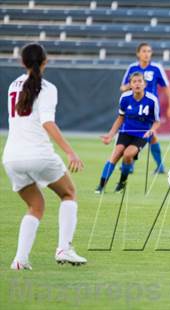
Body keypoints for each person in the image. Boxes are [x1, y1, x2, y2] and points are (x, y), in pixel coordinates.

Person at [2, 43, 86, 270]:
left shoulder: (12, 85)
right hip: (38, 154)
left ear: (22, 63)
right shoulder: (47, 87)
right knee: (68, 193)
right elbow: (47, 122)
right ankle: (64, 249)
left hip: (11, 157)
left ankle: (20, 260)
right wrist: (70, 151)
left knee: (35, 205)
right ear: (45, 62)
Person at [95, 72, 160, 193]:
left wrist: (151, 130)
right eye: (134, 81)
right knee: (116, 154)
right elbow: (120, 118)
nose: (137, 84)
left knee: (128, 155)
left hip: (142, 134)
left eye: (140, 81)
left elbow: (157, 121)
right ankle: (101, 186)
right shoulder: (125, 98)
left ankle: (122, 182)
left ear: (144, 84)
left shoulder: (152, 100)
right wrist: (110, 135)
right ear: (130, 84)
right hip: (125, 132)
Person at [120, 42, 170, 174]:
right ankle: (154, 165)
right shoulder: (132, 68)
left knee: (150, 133)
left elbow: (166, 87)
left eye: (149, 51)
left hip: (150, 107)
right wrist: (132, 85)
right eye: (144, 51)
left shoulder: (156, 68)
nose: (146, 54)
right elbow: (122, 87)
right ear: (138, 53)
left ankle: (132, 163)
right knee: (141, 133)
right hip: (134, 107)